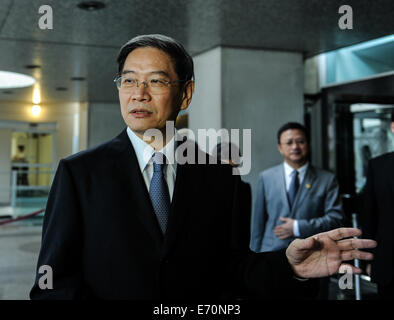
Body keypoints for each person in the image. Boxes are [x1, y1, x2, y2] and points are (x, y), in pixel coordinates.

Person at [30, 34, 376, 300]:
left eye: (157, 80)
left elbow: (235, 270)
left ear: (186, 93)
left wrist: (290, 265)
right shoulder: (80, 174)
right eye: (129, 80)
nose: (139, 93)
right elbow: (54, 283)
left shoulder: (218, 179)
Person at [250, 122, 344, 253]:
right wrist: (254, 255)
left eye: (300, 141)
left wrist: (297, 227)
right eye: (289, 143)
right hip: (270, 252)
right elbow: (258, 223)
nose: (295, 147)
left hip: (312, 253)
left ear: (309, 145)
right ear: (279, 147)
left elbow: (335, 219)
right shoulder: (266, 177)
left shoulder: (327, 179)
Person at [362, 110, 394, 300]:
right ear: (392, 127)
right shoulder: (377, 166)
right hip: (388, 263)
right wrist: (368, 256)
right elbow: (369, 216)